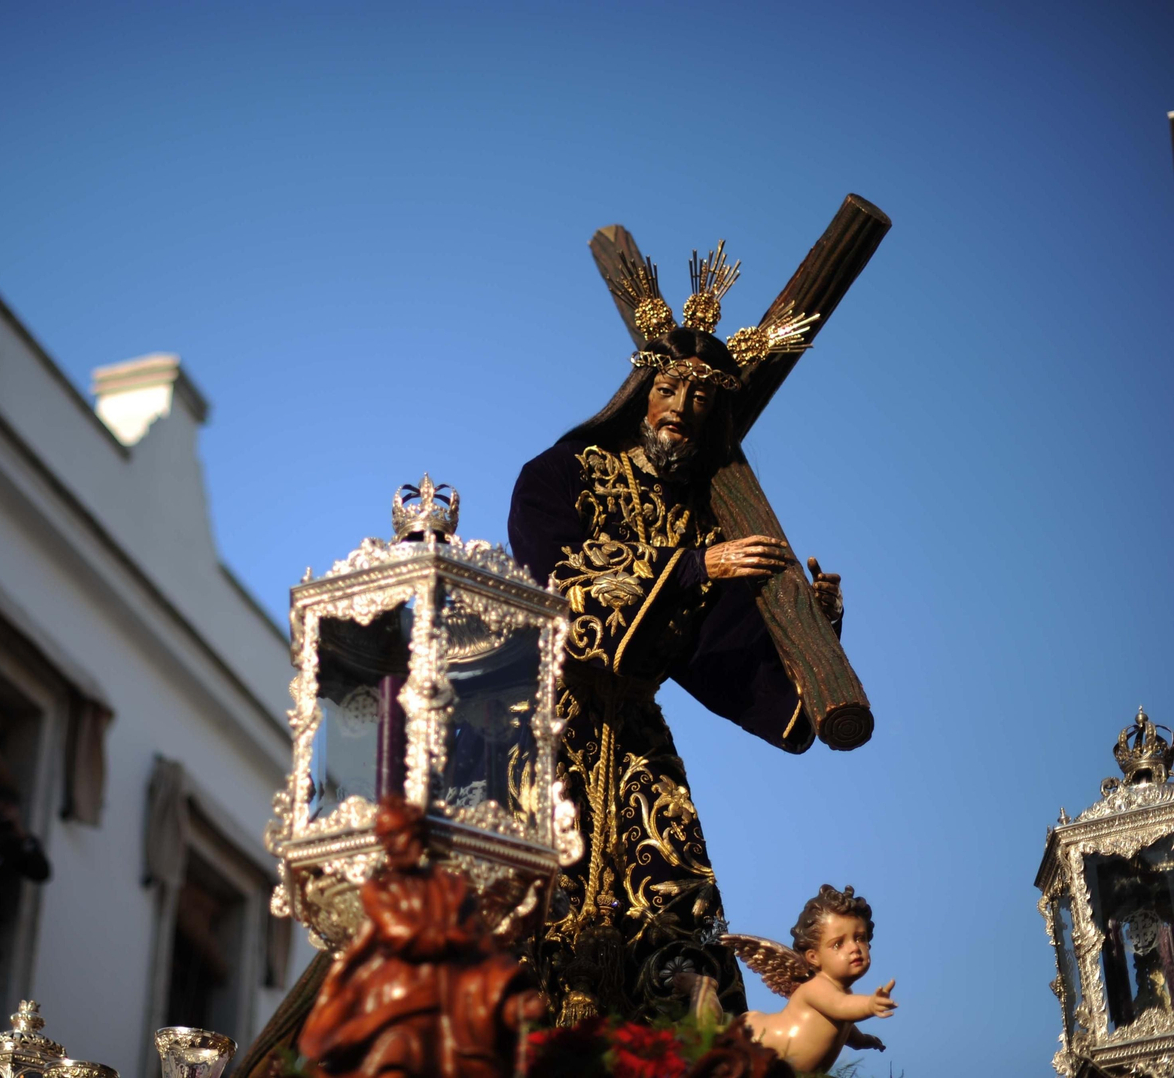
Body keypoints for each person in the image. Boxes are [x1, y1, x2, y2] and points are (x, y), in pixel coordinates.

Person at [508, 317, 844, 1024]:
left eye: (701, 402)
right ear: (639, 393)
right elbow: (560, 582)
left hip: (635, 739)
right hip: (541, 721)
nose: (682, 411)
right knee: (522, 905)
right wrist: (692, 567)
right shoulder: (564, 473)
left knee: (676, 906)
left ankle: (692, 1046)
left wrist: (808, 629)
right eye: (668, 390)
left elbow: (727, 648)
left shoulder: (702, 518)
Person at [298, 799, 545, 1078]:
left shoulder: (450, 886)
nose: (391, 845)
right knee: (397, 1052)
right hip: (398, 989)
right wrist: (451, 935)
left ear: (416, 835)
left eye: (396, 835)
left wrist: (511, 991)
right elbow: (401, 934)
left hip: (450, 986)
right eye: (385, 838)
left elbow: (478, 941)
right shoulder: (378, 890)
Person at [741, 885, 895, 1073]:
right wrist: (870, 1005)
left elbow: (843, 1024)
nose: (854, 948)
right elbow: (841, 1006)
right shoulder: (817, 987)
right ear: (813, 957)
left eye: (860, 938)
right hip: (760, 1040)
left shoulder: (843, 994)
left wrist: (863, 1041)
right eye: (838, 944)